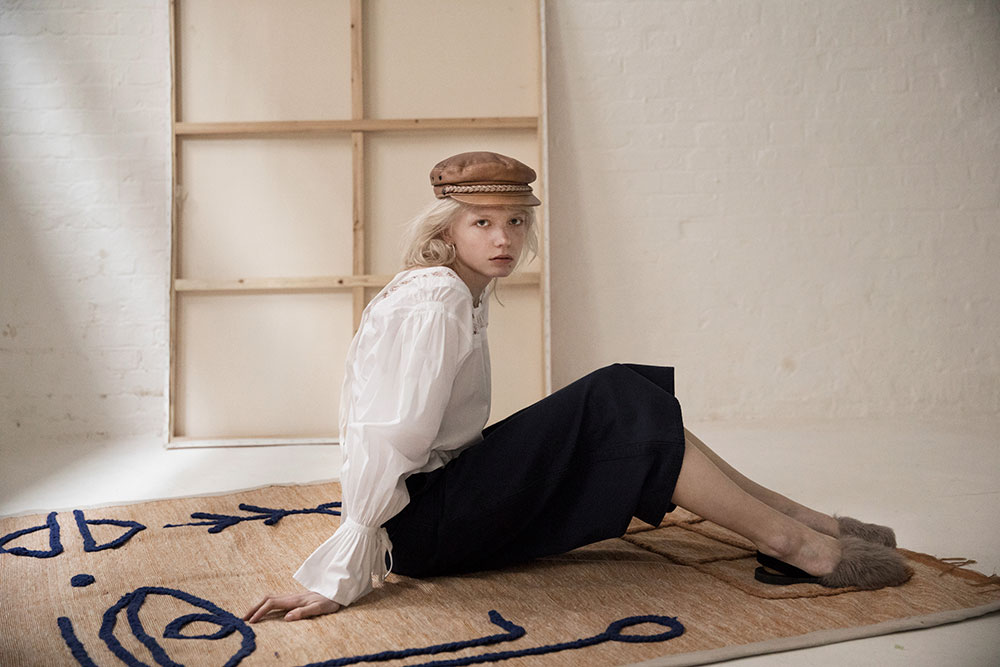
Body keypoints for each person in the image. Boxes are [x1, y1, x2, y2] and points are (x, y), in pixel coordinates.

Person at [244, 151, 908, 624]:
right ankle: (797, 545)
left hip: (441, 499)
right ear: (446, 229)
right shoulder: (435, 298)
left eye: (516, 221)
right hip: (419, 525)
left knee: (631, 395)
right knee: (616, 398)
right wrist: (346, 565)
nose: (504, 238)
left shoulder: (461, 291)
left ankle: (805, 523)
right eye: (482, 222)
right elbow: (388, 433)